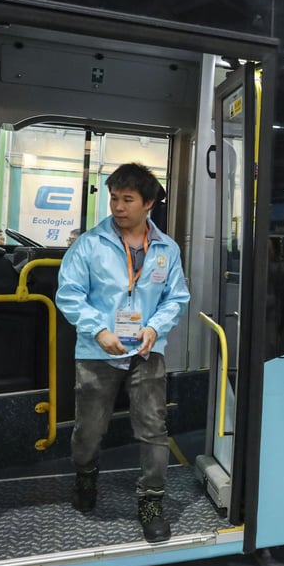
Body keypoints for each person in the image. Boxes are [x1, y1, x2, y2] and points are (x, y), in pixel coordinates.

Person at [56, 162, 190, 543]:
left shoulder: (166, 249)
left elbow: (175, 297)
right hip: (97, 351)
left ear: (148, 203)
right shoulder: (89, 245)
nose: (117, 206)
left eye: (127, 199)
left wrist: (154, 328)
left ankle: (151, 501)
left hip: (147, 351)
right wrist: (98, 330)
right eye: (113, 198)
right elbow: (68, 294)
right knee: (90, 430)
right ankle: (85, 476)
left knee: (152, 429)